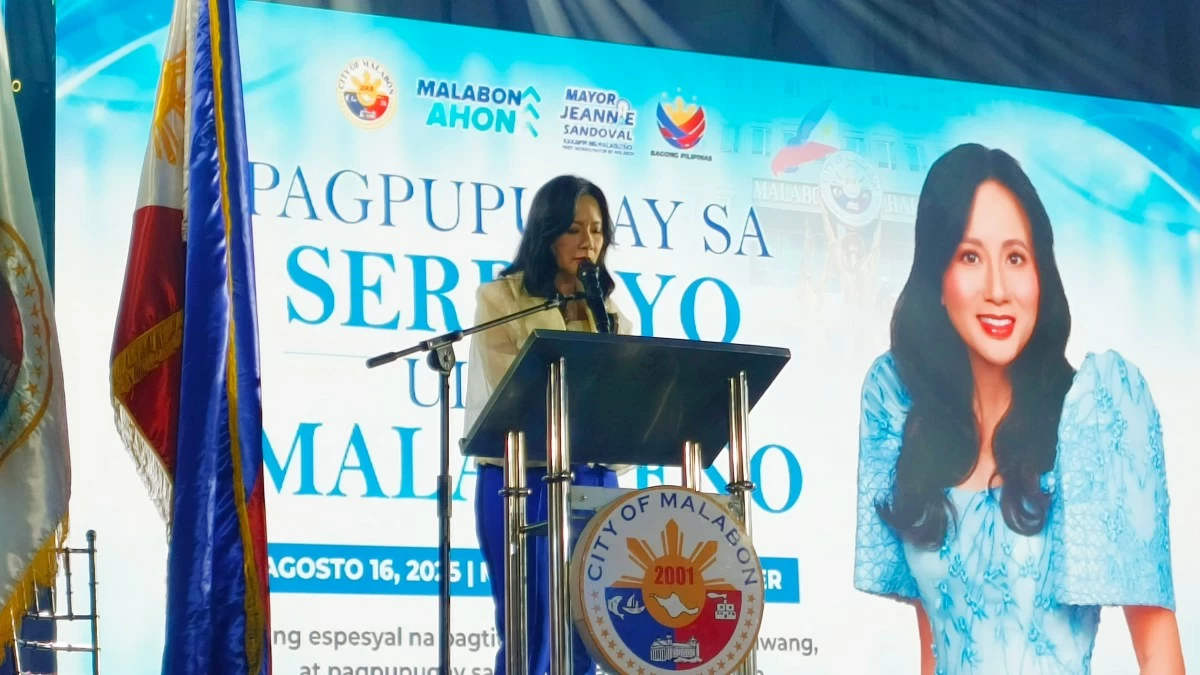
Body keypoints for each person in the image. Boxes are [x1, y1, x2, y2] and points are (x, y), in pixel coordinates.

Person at [853, 144, 1185, 674]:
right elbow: (932, 648)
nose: (998, 290)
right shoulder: (905, 413)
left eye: (1015, 258)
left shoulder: (1097, 415)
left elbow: (1158, 655)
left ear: (1040, 274)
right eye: (970, 256)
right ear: (937, 279)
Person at [465, 174, 633, 675]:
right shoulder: (500, 299)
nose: (588, 242)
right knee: (531, 632)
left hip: (593, 480)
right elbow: (516, 397)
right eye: (574, 229)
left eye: (597, 230)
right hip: (523, 479)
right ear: (546, 231)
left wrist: (594, 312)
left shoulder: (609, 311)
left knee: (591, 629)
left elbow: (622, 404)